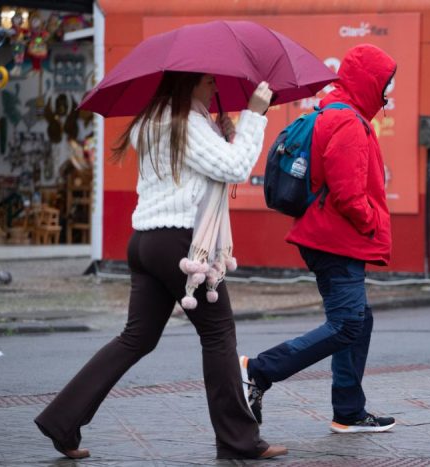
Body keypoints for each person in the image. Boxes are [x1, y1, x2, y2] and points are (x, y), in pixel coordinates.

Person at [34, 72, 287, 460]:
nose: (215, 88)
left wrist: (220, 134)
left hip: (145, 241)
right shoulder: (184, 120)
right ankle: (239, 439)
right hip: (180, 242)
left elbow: (196, 170)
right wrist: (255, 116)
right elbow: (235, 169)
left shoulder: (154, 119)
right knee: (219, 334)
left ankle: (62, 420)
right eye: (208, 82)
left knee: (136, 338)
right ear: (187, 83)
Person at [240, 44, 397, 433]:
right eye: (385, 85)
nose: (388, 94)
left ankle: (348, 410)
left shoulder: (337, 113)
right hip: (336, 239)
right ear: (370, 82)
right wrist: (372, 222)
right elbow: (347, 194)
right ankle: (258, 372)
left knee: (358, 319)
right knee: (347, 324)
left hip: (329, 236)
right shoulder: (347, 122)